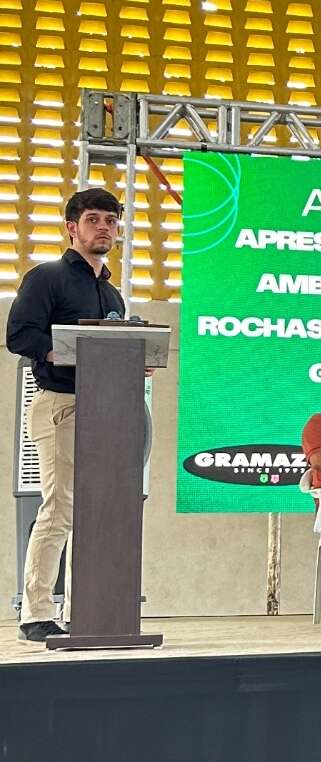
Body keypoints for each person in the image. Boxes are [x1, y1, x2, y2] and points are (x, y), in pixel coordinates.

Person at [6, 188, 127, 643]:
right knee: (59, 509)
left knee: (99, 514)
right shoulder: (47, 278)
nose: (104, 227)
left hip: (108, 410)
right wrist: (70, 355)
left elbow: (117, 350)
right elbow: (20, 336)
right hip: (61, 404)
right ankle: (35, 612)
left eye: (111, 220)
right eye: (93, 219)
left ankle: (89, 612)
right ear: (72, 227)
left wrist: (135, 360)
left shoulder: (112, 292)